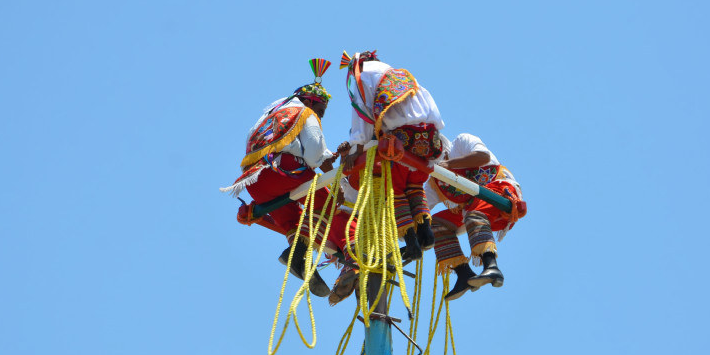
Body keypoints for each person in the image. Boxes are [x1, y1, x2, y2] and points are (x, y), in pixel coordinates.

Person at [221, 67, 348, 297]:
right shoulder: (306, 114)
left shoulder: (271, 114)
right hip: (283, 172)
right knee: (327, 203)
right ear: (310, 102)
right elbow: (315, 155)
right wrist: (336, 186)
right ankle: (342, 251)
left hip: (254, 182)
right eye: (321, 109)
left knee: (291, 217)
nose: (320, 115)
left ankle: (297, 255)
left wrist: (327, 163)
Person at [337, 50, 445, 262]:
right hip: (431, 140)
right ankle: (426, 232)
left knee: (392, 188)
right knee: (413, 186)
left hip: (401, 139)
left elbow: (361, 113)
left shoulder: (361, 74)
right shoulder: (401, 75)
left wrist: (357, 150)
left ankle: (412, 241)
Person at [425, 133, 524, 301]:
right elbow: (420, 211)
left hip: (502, 194)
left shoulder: (462, 142)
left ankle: (491, 266)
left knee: (473, 211)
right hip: (473, 211)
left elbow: (482, 157)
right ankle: (464, 274)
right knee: (435, 224)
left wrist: (448, 165)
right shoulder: (433, 183)